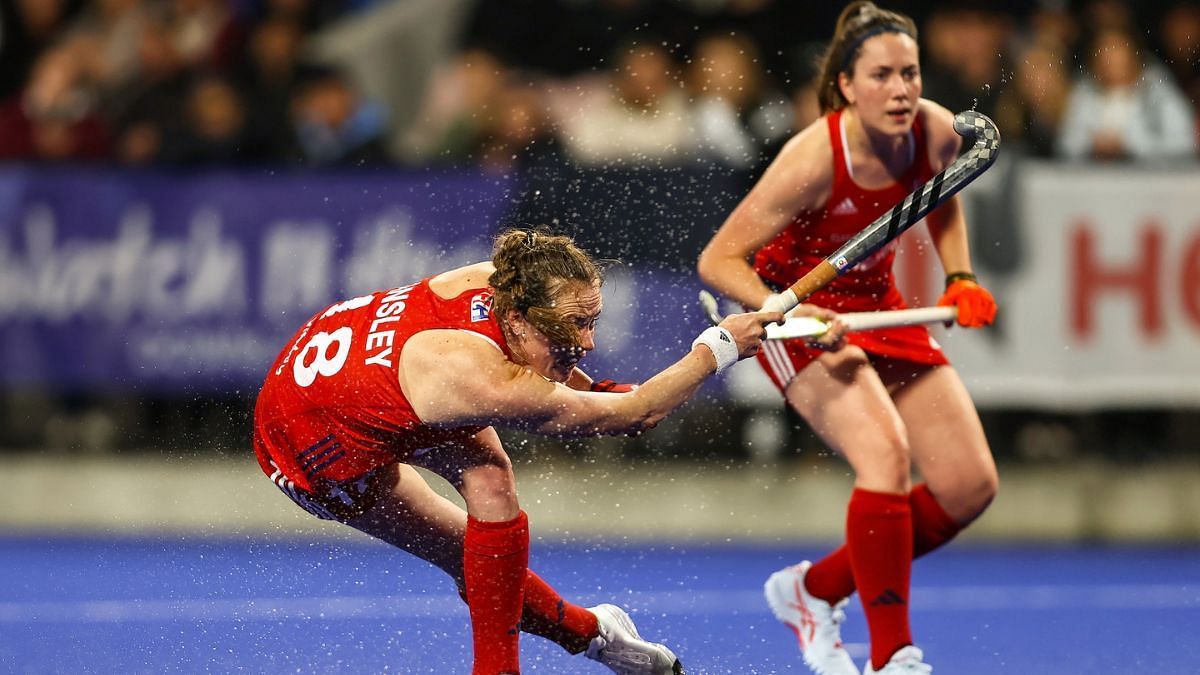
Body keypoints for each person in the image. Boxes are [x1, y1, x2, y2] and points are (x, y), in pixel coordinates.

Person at [252, 228, 783, 675]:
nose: (590, 342)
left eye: (591, 320)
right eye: (575, 326)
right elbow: (637, 415)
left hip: (350, 376)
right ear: (521, 318)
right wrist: (720, 348)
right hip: (314, 453)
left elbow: (554, 370)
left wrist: (592, 391)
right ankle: (588, 633)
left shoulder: (501, 280)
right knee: (471, 559)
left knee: (491, 485)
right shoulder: (474, 377)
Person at [697, 3, 999, 674]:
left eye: (911, 73)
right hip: (788, 310)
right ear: (846, 87)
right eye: (883, 75)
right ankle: (894, 654)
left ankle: (814, 589)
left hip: (872, 305)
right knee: (886, 458)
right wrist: (796, 317)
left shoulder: (933, 130)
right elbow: (717, 263)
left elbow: (943, 193)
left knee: (968, 484)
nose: (901, 90)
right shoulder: (810, 159)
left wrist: (959, 274)